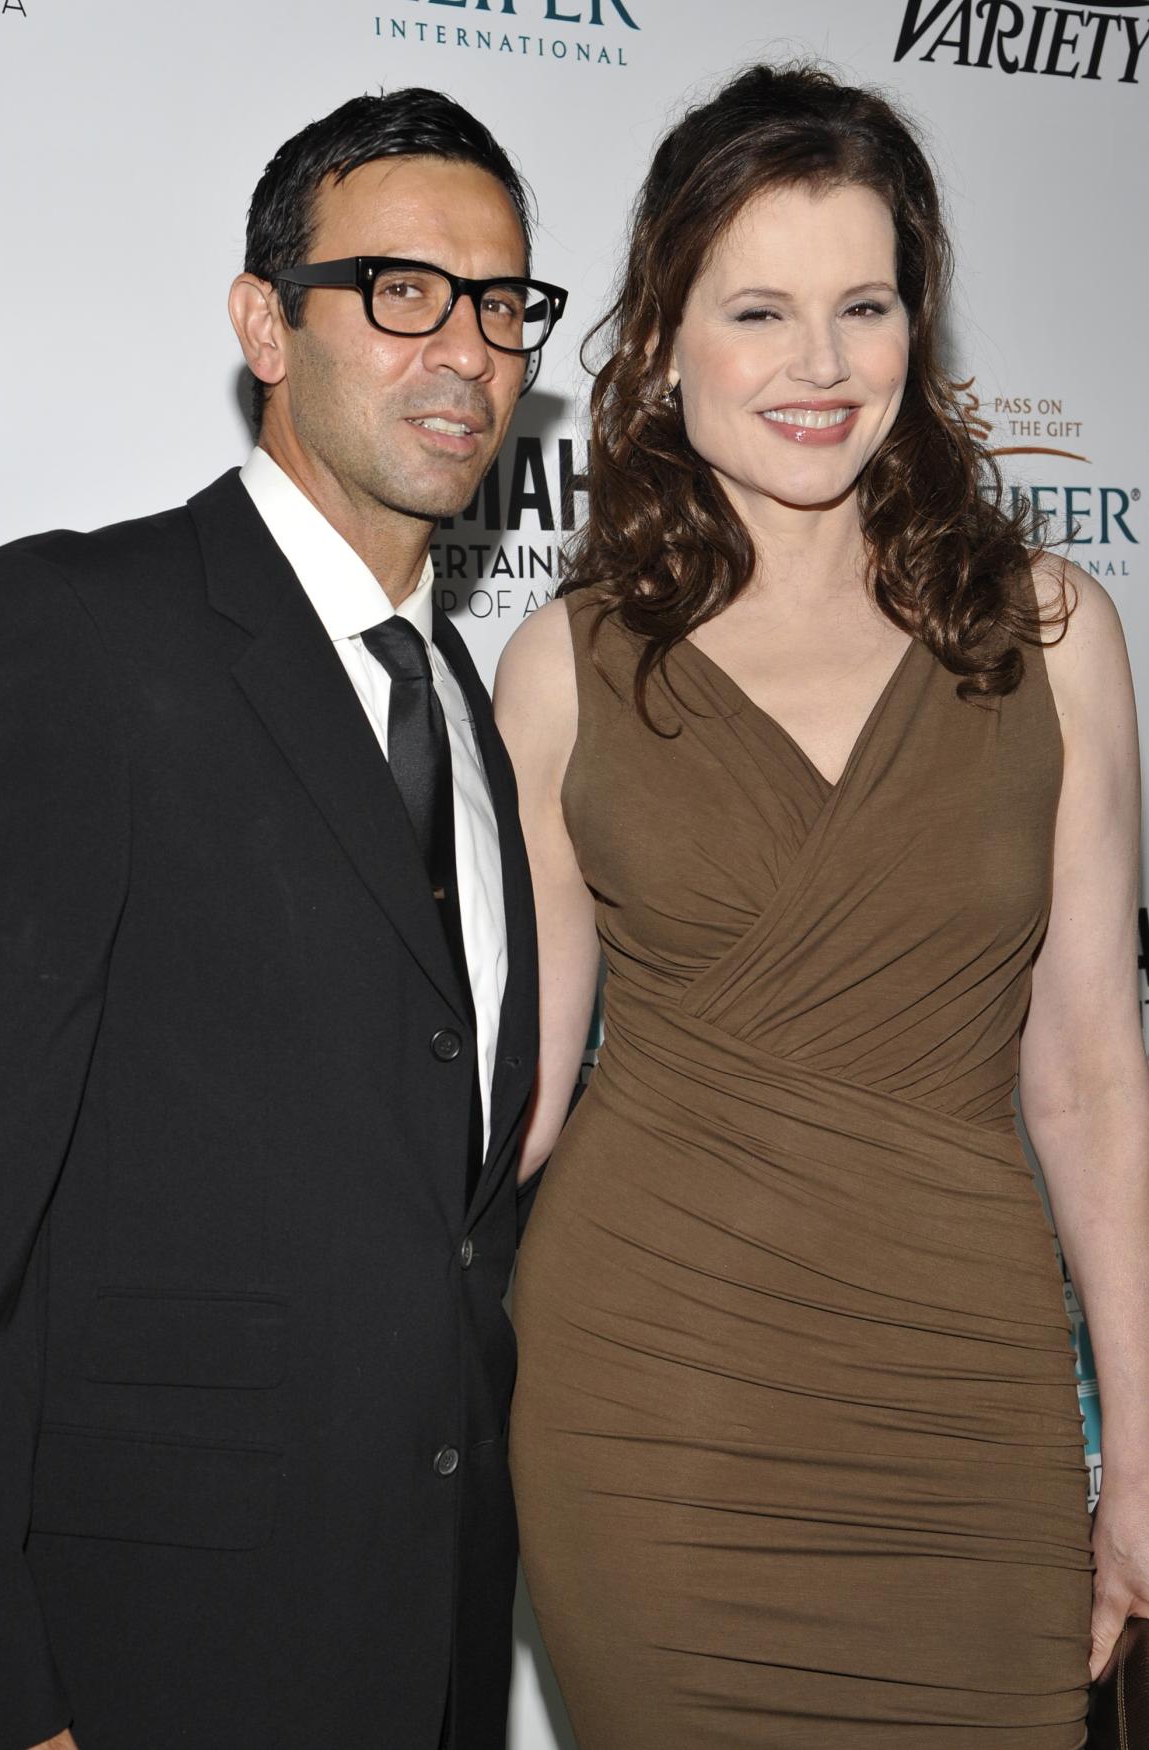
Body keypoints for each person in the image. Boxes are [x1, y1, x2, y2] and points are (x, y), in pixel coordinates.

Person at [0, 86, 567, 1750]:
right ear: (265, 324)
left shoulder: (468, 710)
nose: (466, 349)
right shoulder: (74, 635)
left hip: (422, 1637)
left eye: (502, 304)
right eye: (399, 290)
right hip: (140, 1651)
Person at [498, 62, 1149, 1748]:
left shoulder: (1053, 633)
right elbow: (511, 1099)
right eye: (758, 309)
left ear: (914, 331)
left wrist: (1139, 1442)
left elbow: (1085, 1070)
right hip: (657, 1409)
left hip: (966, 1397)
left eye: (862, 305)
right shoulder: (563, 669)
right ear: (659, 340)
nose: (817, 365)